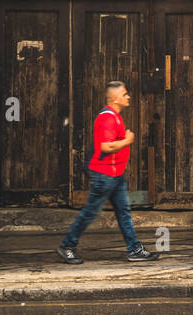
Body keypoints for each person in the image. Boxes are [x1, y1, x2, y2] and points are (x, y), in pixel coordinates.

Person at [57, 80, 160, 265]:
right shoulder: (107, 118)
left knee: (123, 212)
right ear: (115, 98)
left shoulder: (115, 116)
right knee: (89, 212)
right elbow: (106, 146)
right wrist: (127, 141)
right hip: (104, 176)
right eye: (125, 94)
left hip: (115, 176)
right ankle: (67, 246)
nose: (128, 96)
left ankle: (134, 249)